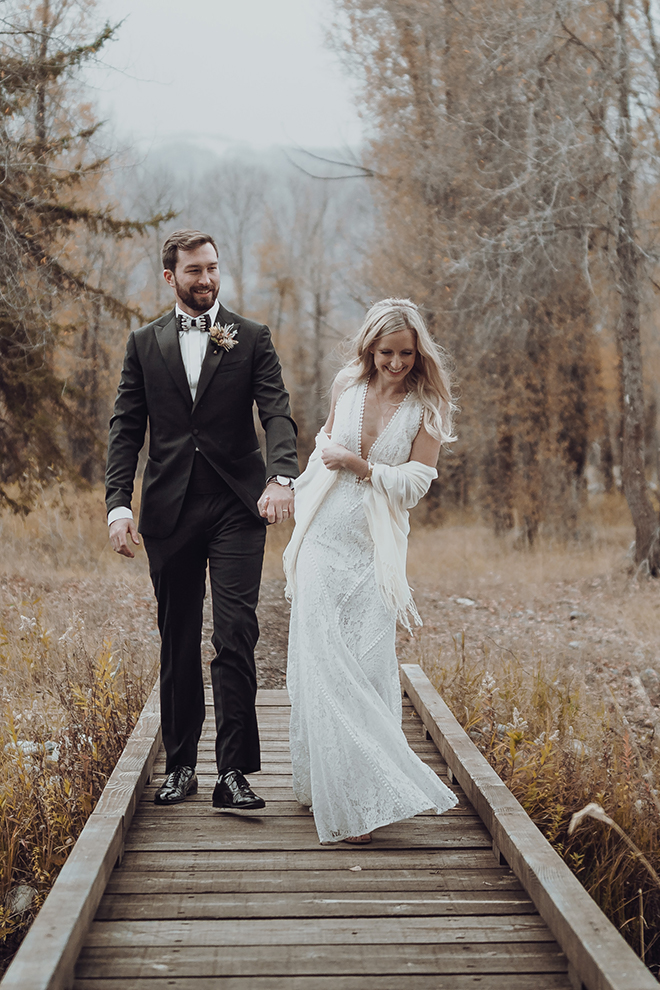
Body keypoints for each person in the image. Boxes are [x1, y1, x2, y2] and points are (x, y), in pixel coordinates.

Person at [106, 229, 298, 811]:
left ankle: (234, 773)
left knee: (236, 633)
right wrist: (119, 505)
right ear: (170, 277)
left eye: (212, 268)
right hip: (169, 511)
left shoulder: (253, 337)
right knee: (178, 640)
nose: (206, 279)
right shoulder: (144, 344)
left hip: (238, 506)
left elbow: (278, 414)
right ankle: (182, 765)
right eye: (194, 271)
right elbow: (126, 429)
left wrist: (281, 477)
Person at [283, 298, 458, 844]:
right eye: (387, 352)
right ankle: (335, 792)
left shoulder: (426, 406)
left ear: (419, 352)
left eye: (406, 353)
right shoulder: (346, 386)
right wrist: (301, 484)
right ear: (369, 348)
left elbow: (418, 482)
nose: (396, 363)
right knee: (322, 661)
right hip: (322, 537)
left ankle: (368, 784)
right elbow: (323, 448)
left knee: (365, 662)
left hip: (373, 549)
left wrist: (362, 466)